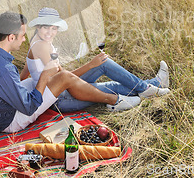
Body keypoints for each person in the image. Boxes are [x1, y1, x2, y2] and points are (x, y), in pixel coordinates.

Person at [0, 11, 141, 134]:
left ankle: (146, 86)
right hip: (7, 121)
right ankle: (115, 100)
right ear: (10, 37)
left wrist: (29, 77)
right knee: (68, 78)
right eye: (22, 36)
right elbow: (29, 107)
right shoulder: (4, 70)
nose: (24, 40)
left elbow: (12, 80)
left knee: (67, 79)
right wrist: (45, 75)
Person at [21, 7, 170, 112]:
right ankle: (150, 86)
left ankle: (149, 87)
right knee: (113, 85)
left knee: (103, 63)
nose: (50, 32)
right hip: (62, 99)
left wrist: (18, 87)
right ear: (39, 26)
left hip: (65, 89)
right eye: (46, 27)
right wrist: (90, 65)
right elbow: (63, 78)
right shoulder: (41, 46)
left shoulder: (36, 41)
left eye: (54, 28)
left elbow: (27, 68)